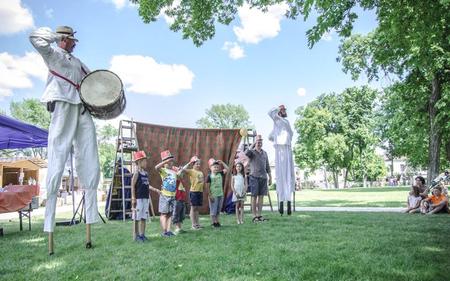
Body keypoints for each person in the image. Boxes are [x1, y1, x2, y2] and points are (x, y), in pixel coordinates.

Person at [30, 26, 98, 255]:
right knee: (58, 153)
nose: (75, 43)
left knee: (90, 156)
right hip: (62, 104)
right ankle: (49, 224)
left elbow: (94, 82)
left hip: (82, 109)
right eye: (72, 40)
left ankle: (90, 220)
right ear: (65, 40)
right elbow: (35, 38)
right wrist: (58, 36)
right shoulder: (52, 54)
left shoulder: (78, 62)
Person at [268, 105, 295, 216]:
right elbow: (270, 136)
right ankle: (281, 203)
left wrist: (276, 136)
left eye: (284, 110)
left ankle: (287, 201)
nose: (283, 111)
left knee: (288, 176)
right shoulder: (276, 122)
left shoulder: (284, 121)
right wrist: (276, 137)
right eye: (282, 110)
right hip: (279, 149)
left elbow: (289, 133)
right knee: (280, 176)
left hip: (286, 148)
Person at [131, 151, 160, 242]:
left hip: (145, 198)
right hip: (139, 199)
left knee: (143, 217)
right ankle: (136, 235)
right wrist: (133, 198)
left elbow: (147, 185)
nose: (146, 163)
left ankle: (142, 235)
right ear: (139, 162)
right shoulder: (136, 173)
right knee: (137, 217)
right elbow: (132, 185)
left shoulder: (146, 174)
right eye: (145, 161)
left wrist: (155, 190)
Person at [245, 135, 272, 222]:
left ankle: (259, 215)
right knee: (254, 196)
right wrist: (253, 143)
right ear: (255, 142)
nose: (259, 143)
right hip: (254, 177)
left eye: (261, 141)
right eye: (258, 141)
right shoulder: (252, 152)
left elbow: (267, 165)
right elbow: (246, 152)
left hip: (263, 177)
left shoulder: (265, 153)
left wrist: (270, 176)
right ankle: (254, 215)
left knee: (261, 197)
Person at [155, 150, 179, 237]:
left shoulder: (174, 171)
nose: (170, 162)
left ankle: (169, 231)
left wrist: (179, 170)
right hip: (165, 195)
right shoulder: (163, 170)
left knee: (169, 213)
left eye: (171, 161)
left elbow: (180, 176)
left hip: (172, 195)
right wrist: (165, 161)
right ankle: (164, 231)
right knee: (164, 213)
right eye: (168, 161)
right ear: (164, 162)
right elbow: (156, 167)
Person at [180, 156, 205, 230]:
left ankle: (197, 224)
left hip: (200, 192)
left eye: (199, 164)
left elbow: (202, 182)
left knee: (197, 208)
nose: (198, 165)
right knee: (193, 208)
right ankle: (193, 225)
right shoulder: (191, 171)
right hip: (194, 192)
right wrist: (189, 163)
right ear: (193, 165)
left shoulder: (201, 172)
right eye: (196, 164)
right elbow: (182, 170)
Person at [205, 158, 229, 227]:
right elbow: (207, 187)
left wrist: (222, 162)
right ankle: (213, 222)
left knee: (218, 209)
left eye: (217, 167)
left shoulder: (220, 174)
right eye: (214, 167)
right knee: (213, 210)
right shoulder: (209, 176)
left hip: (220, 195)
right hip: (213, 195)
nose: (216, 168)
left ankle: (217, 221)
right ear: (210, 168)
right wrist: (210, 195)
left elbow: (227, 169)